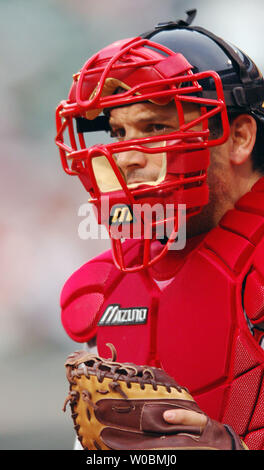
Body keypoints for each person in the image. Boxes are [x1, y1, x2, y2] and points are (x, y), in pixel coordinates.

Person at [55, 10, 264, 450]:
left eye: (156, 128)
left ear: (240, 137)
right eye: (117, 132)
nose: (127, 157)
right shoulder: (113, 280)